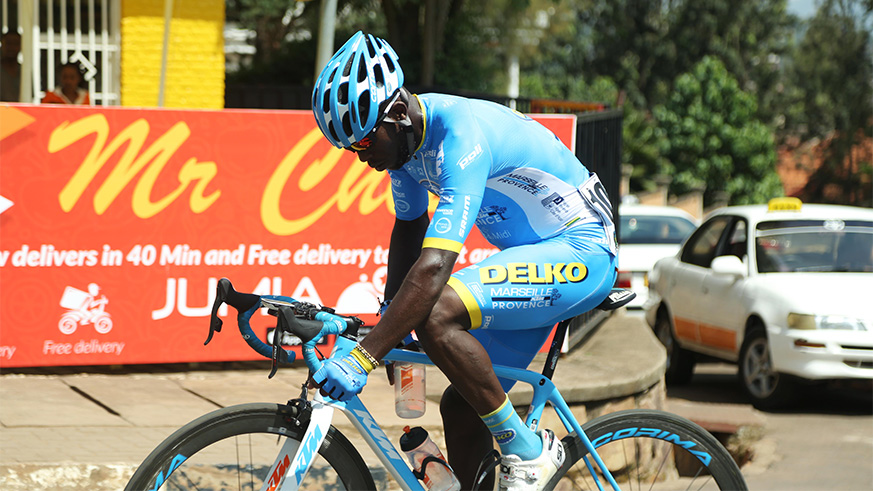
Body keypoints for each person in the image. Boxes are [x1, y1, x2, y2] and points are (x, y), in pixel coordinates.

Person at [310, 32, 617, 491]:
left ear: (397, 113)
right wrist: (390, 319)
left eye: (366, 140)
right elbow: (409, 228)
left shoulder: (460, 137)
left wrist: (364, 357)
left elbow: (434, 267)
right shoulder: (406, 152)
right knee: (462, 406)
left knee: (436, 312)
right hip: (539, 258)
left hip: (583, 251)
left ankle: (528, 451)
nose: (363, 156)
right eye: (352, 148)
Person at [0, 31, 21, 102]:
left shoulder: (24, 72)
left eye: (15, 43)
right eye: (8, 43)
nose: (11, 47)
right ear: (2, 45)